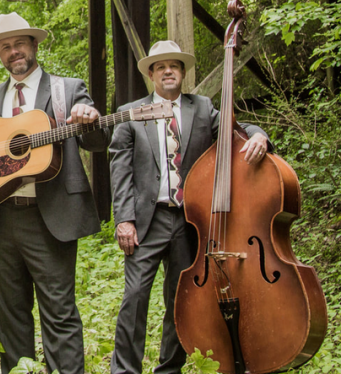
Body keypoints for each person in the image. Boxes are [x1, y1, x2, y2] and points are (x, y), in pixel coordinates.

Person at [0, 13, 109, 374]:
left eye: (19, 43)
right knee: (9, 315)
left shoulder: (66, 89)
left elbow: (98, 142)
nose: (13, 52)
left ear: (35, 44)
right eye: (5, 46)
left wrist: (90, 119)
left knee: (59, 311)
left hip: (49, 216)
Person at [109, 40, 271, 374]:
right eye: (161, 67)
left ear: (182, 72)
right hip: (145, 222)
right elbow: (120, 171)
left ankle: (169, 369)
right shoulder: (130, 113)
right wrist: (124, 219)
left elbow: (236, 132)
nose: (168, 71)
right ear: (152, 74)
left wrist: (259, 136)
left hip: (190, 221)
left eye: (174, 66)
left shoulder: (201, 108)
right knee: (135, 297)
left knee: (180, 301)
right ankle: (124, 370)